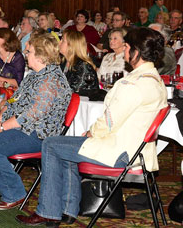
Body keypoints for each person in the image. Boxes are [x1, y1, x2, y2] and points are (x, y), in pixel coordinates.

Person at [16, 27, 167, 226]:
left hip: (119, 152)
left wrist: (90, 133)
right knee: (65, 145)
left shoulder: (135, 84)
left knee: (52, 145)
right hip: (136, 151)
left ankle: (48, 211)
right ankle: (68, 210)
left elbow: (110, 121)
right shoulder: (156, 81)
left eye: (127, 47)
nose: (125, 51)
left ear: (136, 52)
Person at [0, 33, 71, 210]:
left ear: (39, 55)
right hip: (20, 126)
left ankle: (15, 194)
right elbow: (15, 100)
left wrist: (3, 127)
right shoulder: (34, 75)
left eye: (28, 51)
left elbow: (32, 115)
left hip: (38, 135)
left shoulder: (51, 81)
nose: (26, 55)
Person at [59, 30, 99, 94]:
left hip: (83, 101)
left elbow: (76, 89)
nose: (59, 42)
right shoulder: (63, 62)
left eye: (63, 40)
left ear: (71, 45)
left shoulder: (83, 65)